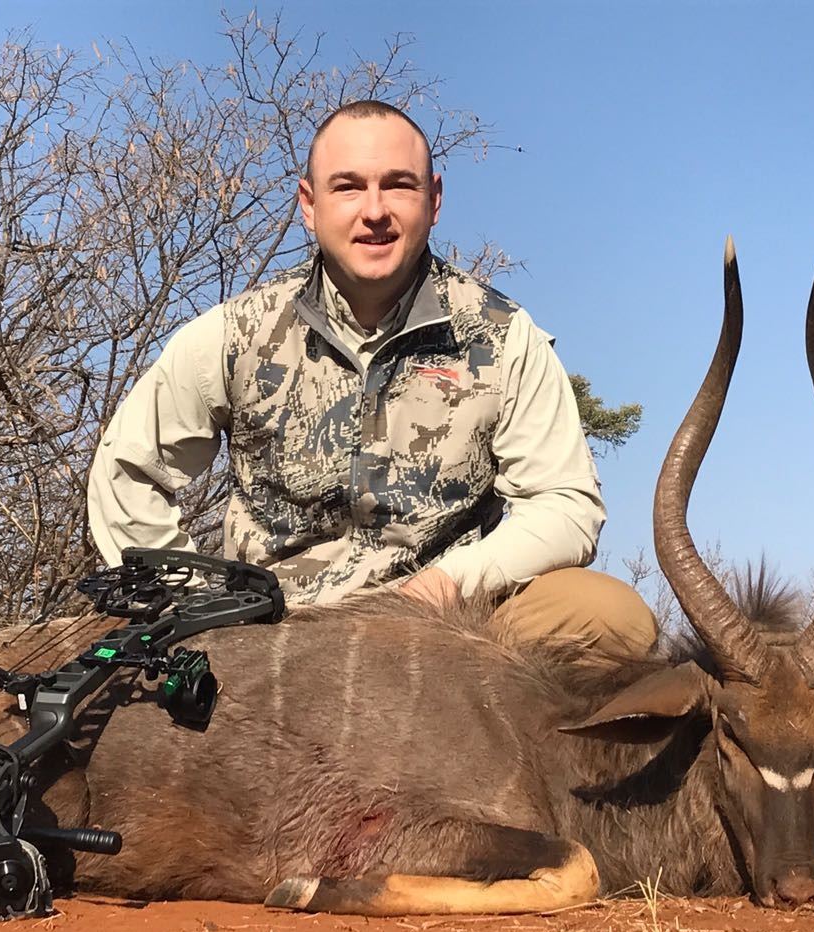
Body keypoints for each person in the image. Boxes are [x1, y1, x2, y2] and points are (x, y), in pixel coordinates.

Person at [88, 100, 655, 654]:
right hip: (270, 638)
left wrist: (449, 583)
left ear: (434, 200)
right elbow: (126, 471)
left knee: (612, 619)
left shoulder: (505, 336)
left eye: (399, 185)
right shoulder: (234, 332)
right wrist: (198, 604)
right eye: (348, 187)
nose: (375, 210)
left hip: (449, 625)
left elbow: (566, 503)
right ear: (309, 204)